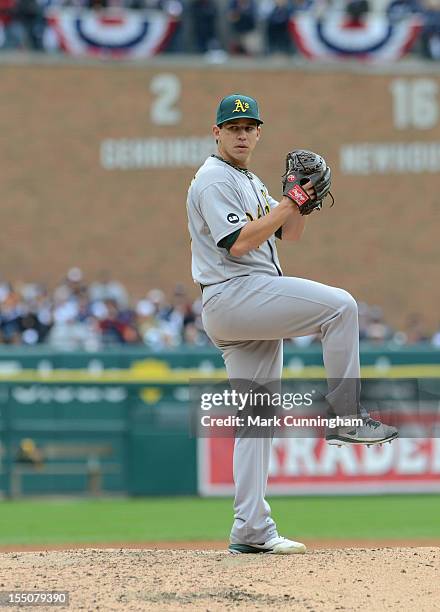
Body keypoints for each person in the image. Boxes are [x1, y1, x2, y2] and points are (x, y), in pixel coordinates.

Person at [186, 94, 398, 555]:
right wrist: (289, 201)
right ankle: (346, 415)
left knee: (257, 419)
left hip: (247, 302)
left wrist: (299, 202)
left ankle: (251, 529)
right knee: (341, 306)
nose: (242, 134)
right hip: (235, 292)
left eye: (249, 127)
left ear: (259, 133)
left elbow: (290, 234)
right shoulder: (212, 179)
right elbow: (238, 244)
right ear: (216, 132)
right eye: (233, 126)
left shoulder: (253, 182)